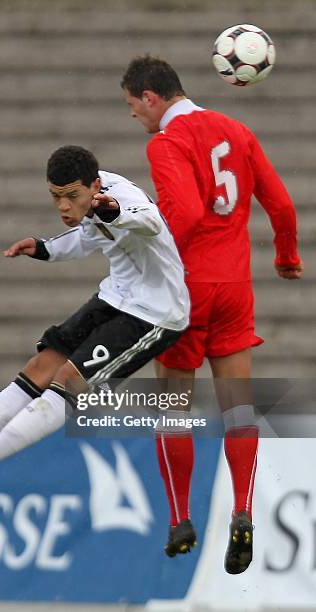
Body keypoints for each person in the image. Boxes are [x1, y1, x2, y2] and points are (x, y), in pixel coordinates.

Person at [0, 144, 190, 488]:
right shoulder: (90, 204)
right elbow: (87, 238)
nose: (63, 205)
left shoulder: (121, 199)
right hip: (115, 297)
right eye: (55, 196)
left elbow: (149, 221)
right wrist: (44, 248)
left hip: (155, 314)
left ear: (95, 185)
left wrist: (115, 211)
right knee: (39, 367)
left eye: (71, 196)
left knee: (67, 381)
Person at [121, 55, 303, 574]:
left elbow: (187, 212)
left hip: (186, 292)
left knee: (173, 408)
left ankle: (180, 518)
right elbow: (282, 206)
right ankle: (243, 511)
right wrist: (286, 255)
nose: (134, 115)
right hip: (235, 290)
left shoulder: (166, 143)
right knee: (239, 411)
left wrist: (150, 266)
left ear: (151, 97)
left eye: (134, 106)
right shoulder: (236, 130)